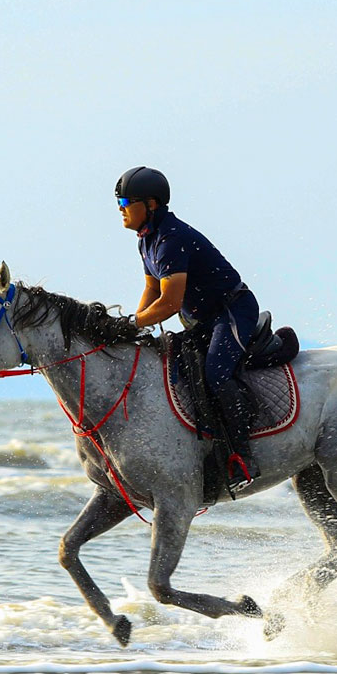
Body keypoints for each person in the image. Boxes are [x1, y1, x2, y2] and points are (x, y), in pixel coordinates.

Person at [116, 165, 261, 490]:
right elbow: (152, 291)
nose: (120, 209)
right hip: (203, 320)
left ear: (150, 205)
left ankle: (242, 457)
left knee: (215, 374)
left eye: (125, 201)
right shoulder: (147, 240)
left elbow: (168, 303)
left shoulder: (171, 239)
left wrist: (132, 323)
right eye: (118, 203)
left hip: (232, 311)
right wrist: (133, 329)